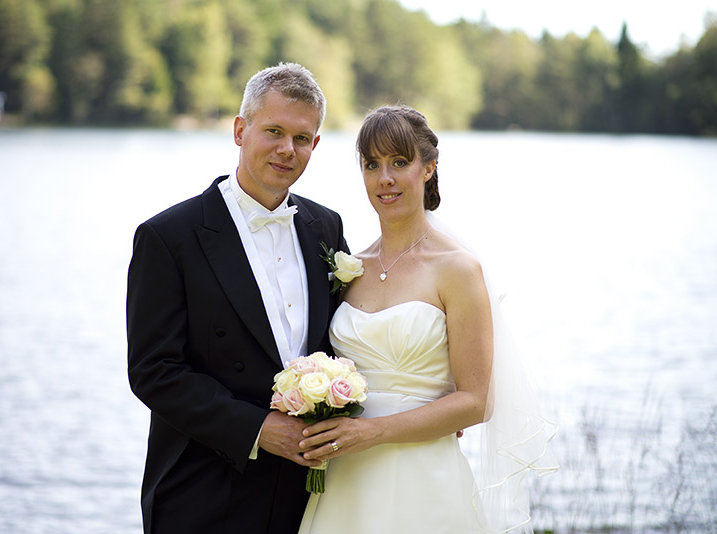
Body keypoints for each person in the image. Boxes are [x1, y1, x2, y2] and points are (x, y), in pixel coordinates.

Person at [296, 105, 557, 534]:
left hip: (424, 478)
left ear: (429, 168)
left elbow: (477, 402)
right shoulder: (350, 268)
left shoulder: (458, 270)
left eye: (400, 162)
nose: (385, 178)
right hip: (346, 478)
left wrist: (374, 432)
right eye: (372, 165)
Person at [126, 63, 348, 534]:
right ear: (240, 130)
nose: (287, 149)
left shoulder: (326, 228)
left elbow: (350, 338)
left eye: (302, 138)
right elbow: (154, 371)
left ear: (315, 145)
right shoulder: (169, 236)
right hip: (204, 491)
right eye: (274, 131)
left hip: (307, 496)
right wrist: (258, 430)